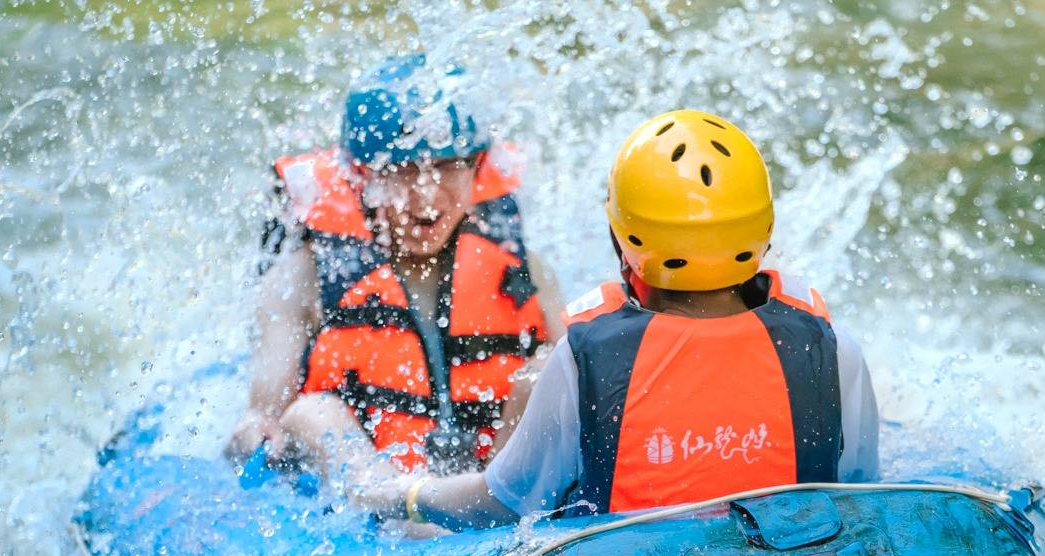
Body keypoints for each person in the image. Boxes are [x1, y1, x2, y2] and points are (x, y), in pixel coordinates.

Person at [361, 109, 879, 528]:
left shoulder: (583, 360)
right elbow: (860, 494)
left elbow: (501, 505)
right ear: (763, 230)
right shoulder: (834, 350)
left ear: (624, 238)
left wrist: (407, 495)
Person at [226, 54, 566, 492]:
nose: (427, 193)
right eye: (403, 171)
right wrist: (254, 429)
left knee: (547, 372)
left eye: (447, 167)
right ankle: (416, 526)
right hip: (369, 494)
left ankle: (491, 513)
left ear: (476, 168)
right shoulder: (304, 279)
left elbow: (577, 385)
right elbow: (264, 416)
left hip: (491, 484)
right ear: (361, 176)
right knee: (309, 415)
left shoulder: (526, 272)